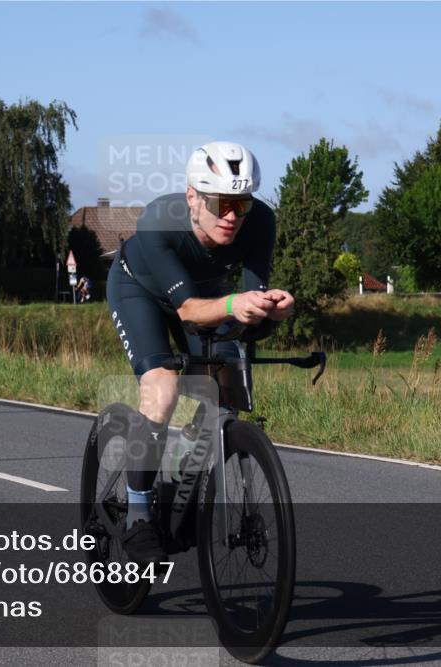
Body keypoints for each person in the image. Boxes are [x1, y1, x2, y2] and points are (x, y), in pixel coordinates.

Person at [105, 141, 295, 563]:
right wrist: (234, 304)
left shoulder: (260, 222)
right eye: (220, 204)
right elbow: (189, 311)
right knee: (164, 389)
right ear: (192, 196)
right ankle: (137, 510)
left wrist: (272, 312)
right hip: (140, 290)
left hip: (205, 295)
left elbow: (244, 313)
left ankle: (180, 477)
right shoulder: (158, 221)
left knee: (226, 387)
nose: (231, 217)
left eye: (240, 205)